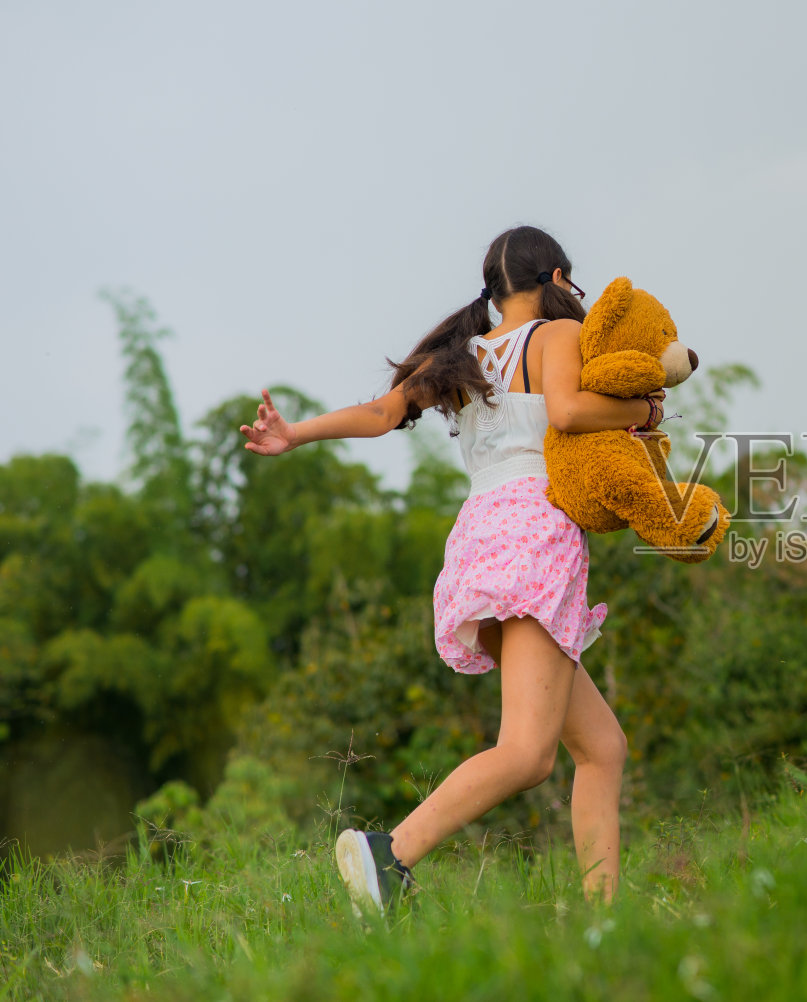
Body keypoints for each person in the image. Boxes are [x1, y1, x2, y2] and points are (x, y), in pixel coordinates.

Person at [240, 225, 675, 910]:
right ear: (557, 280)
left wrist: (296, 434)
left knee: (602, 748)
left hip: (481, 541)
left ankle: (602, 918)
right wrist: (643, 407)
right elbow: (567, 411)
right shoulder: (557, 335)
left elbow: (381, 413)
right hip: (535, 536)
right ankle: (391, 852)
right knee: (527, 754)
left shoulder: (461, 356)